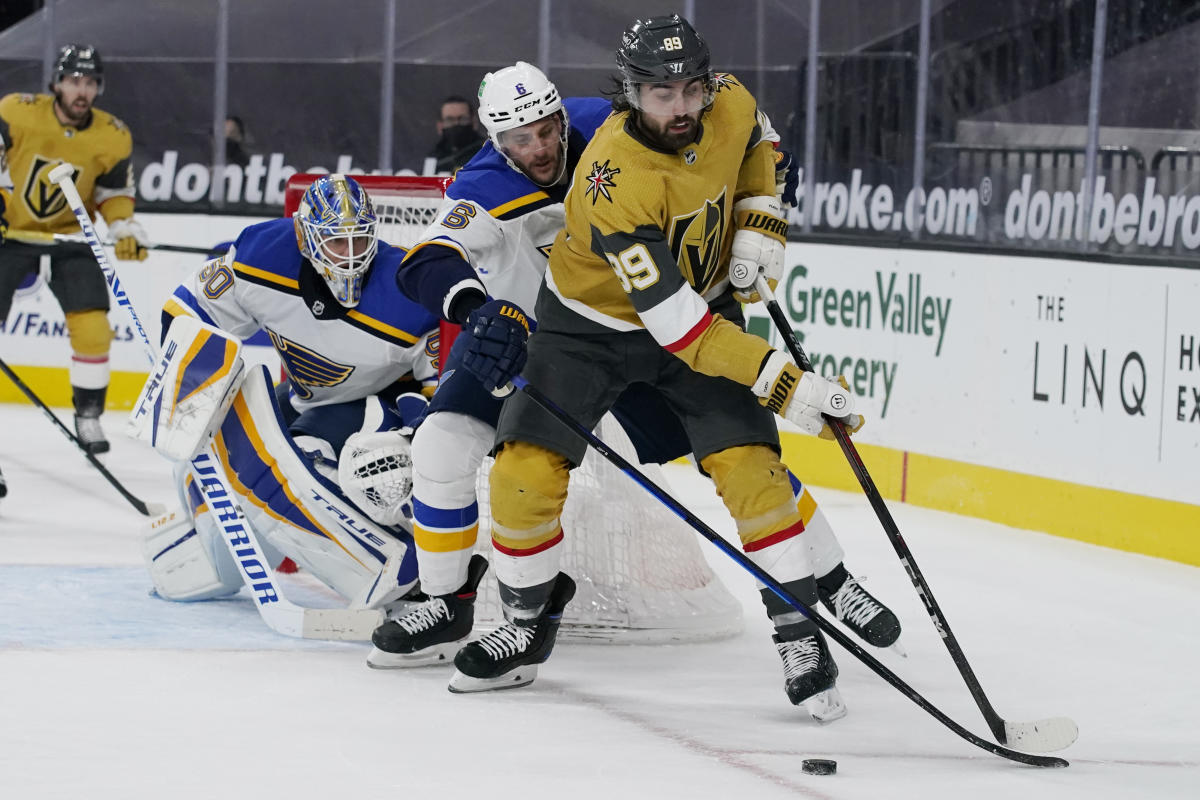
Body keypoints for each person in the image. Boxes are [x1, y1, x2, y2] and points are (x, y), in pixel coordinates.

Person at [370, 59, 901, 687]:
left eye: (545, 129)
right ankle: (451, 600)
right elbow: (427, 260)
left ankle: (831, 578)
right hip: (549, 341)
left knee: (744, 456)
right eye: (518, 140)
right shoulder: (483, 185)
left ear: (561, 116)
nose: (537, 148)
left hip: (660, 326)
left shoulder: (618, 127)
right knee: (444, 444)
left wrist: (760, 213)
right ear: (494, 140)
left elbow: (742, 129)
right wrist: (477, 310)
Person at [142, 174, 439, 621]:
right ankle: (200, 511)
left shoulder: (408, 289)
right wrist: (187, 377)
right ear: (305, 236)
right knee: (225, 549)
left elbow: (440, 385)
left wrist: (417, 428)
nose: (352, 256)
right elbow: (187, 312)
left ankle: (402, 569)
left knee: (337, 461)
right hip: (307, 400)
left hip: (380, 403)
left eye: (360, 240)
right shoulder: (262, 255)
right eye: (337, 243)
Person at [0, 43, 151, 455]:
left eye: (89, 82)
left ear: (98, 87)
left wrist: (124, 227)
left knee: (94, 331)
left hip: (70, 238)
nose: (80, 90)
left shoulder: (112, 134)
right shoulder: (16, 111)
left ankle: (88, 417)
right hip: (9, 235)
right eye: (72, 81)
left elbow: (114, 193)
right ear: (56, 83)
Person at [425, 95, 486, 174]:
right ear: (440, 126)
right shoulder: (434, 158)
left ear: (474, 123)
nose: (456, 124)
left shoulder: (486, 153)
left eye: (463, 119)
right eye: (450, 120)